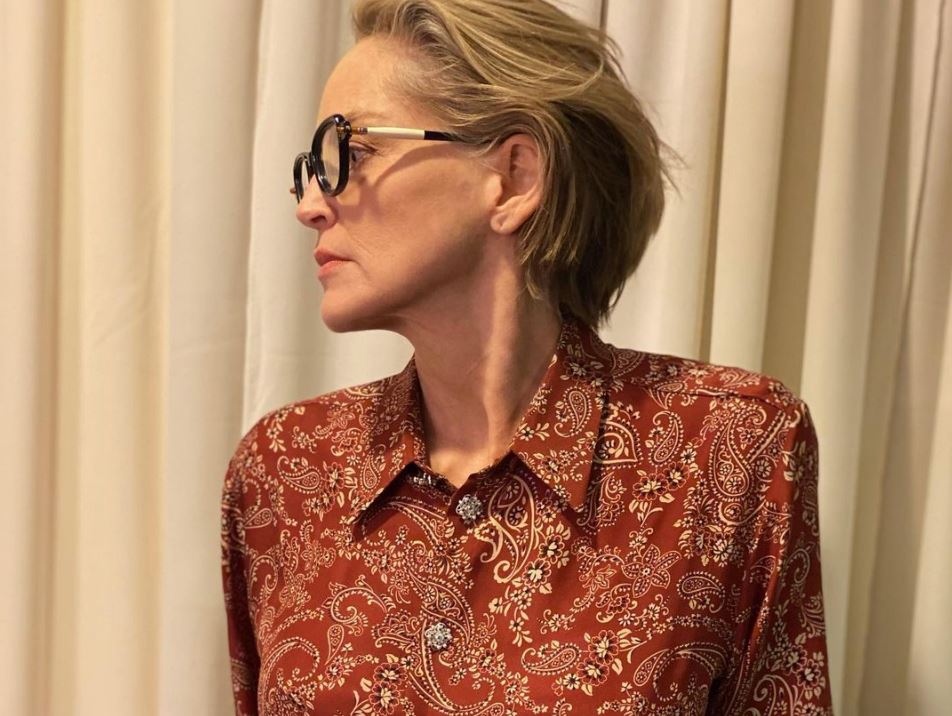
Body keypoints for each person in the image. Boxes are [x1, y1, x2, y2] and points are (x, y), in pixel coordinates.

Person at [221, 0, 834, 713]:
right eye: (310, 168)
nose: (310, 204)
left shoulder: (729, 450)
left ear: (514, 176)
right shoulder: (285, 471)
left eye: (349, 154)